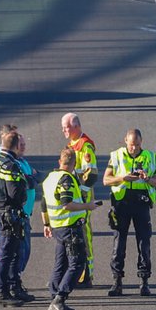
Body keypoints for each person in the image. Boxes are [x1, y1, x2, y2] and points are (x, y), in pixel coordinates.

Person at [40, 147, 104, 310]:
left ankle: (54, 296)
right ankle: (59, 299)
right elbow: (66, 203)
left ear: (59, 161)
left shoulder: (50, 178)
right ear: (74, 163)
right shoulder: (66, 179)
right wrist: (88, 206)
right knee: (77, 263)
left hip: (57, 227)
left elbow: (44, 203)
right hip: (70, 227)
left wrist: (46, 223)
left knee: (60, 263)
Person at [103, 128, 156, 297]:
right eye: (131, 144)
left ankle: (144, 281)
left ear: (141, 142)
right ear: (125, 141)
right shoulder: (117, 156)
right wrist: (123, 178)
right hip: (122, 203)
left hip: (141, 203)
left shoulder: (149, 157)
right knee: (119, 243)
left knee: (144, 242)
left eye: (137, 144)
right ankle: (117, 281)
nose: (133, 148)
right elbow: (106, 180)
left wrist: (147, 179)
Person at [0, 126, 38, 297]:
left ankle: (11, 286)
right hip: (9, 214)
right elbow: (16, 193)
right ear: (15, 147)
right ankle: (4, 290)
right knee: (10, 254)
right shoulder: (10, 166)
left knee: (7, 253)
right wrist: (24, 186)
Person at [61, 112, 98, 286]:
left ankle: (87, 274)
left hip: (83, 199)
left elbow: (92, 174)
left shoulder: (85, 146)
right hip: (75, 197)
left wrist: (82, 193)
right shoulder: (72, 144)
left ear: (76, 126)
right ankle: (78, 272)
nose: (64, 131)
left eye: (66, 127)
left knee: (84, 234)